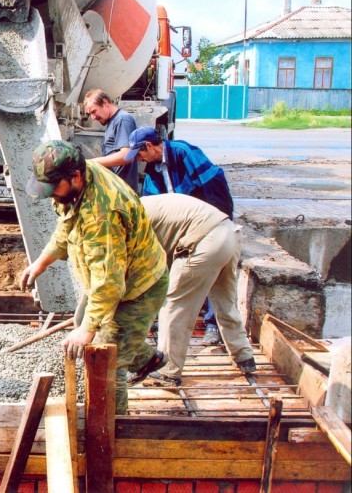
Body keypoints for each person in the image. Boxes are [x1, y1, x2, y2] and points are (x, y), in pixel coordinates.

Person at [19, 139, 169, 415]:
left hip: (138, 288)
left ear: (74, 176)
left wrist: (88, 332)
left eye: (54, 189)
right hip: (111, 278)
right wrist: (42, 262)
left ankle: (115, 434)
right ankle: (147, 358)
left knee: (105, 359)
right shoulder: (76, 180)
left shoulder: (102, 215)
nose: (52, 196)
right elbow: (67, 226)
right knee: (83, 319)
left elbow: (110, 283)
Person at [124, 125, 234, 345]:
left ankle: (213, 325)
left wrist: (220, 221)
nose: (140, 159)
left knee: (214, 273)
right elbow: (151, 210)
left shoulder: (184, 153)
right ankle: (160, 317)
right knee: (165, 270)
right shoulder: (152, 173)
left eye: (141, 153)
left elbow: (214, 184)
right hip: (178, 229)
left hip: (205, 224)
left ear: (148, 146)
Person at [140, 194, 256, 386]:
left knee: (174, 306)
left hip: (204, 241)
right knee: (224, 301)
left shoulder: (128, 218)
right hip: (229, 233)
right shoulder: (144, 205)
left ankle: (168, 370)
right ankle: (244, 356)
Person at [82, 88, 139, 193]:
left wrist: (90, 163)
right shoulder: (112, 122)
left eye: (94, 111)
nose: (93, 117)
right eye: (90, 114)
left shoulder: (122, 120)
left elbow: (127, 156)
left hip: (124, 193)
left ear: (105, 102)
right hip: (117, 190)